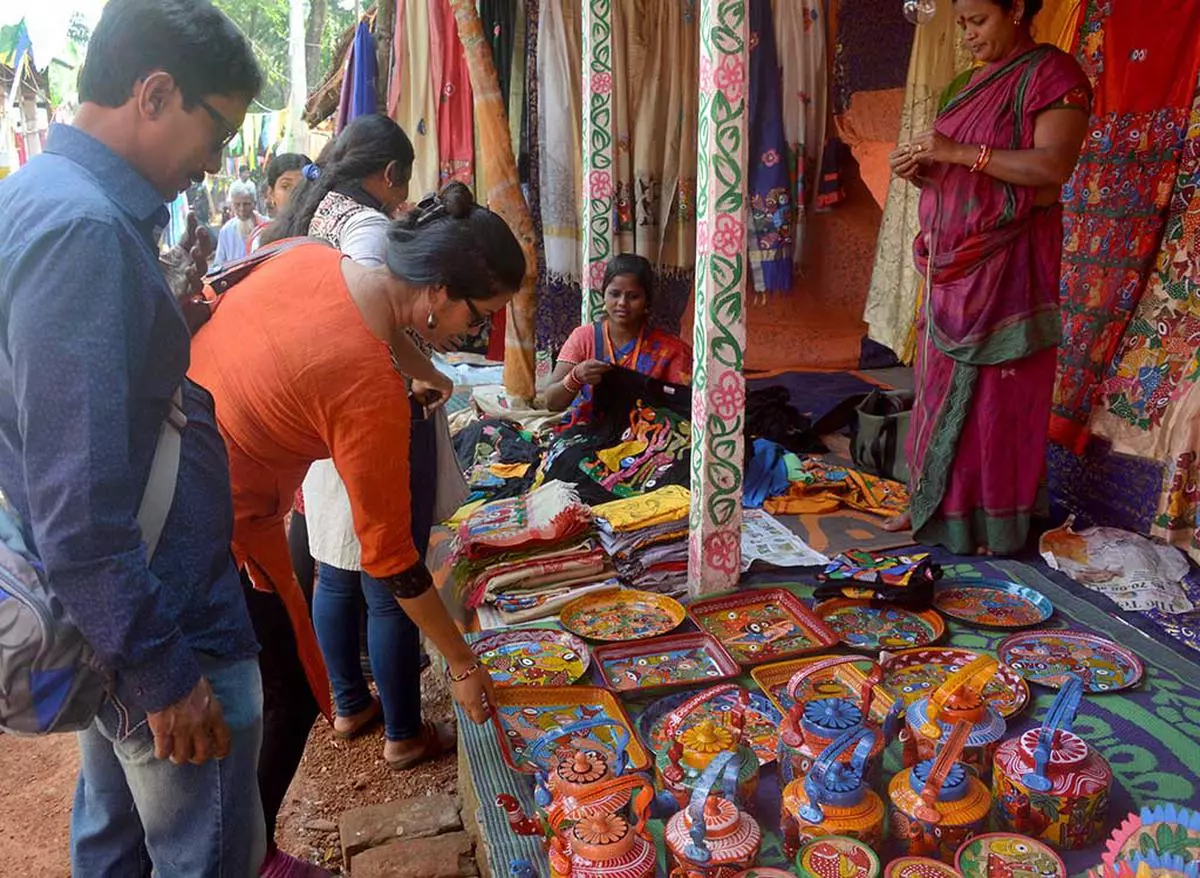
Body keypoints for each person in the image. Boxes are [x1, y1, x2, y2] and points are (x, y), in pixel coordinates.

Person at [0, 1, 267, 875]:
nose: (216, 162)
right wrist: (165, 675)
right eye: (217, 129)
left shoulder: (44, 198)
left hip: (125, 615)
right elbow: (78, 504)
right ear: (155, 93)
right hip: (164, 623)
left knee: (112, 848)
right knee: (205, 856)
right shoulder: (81, 229)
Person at [188, 182, 517, 873]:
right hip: (211, 526)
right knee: (278, 695)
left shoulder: (311, 256)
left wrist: (432, 374)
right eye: (477, 316)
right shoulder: (367, 390)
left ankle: (226, 848)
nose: (474, 334)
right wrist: (462, 663)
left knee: (275, 685)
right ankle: (239, 858)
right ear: (436, 289)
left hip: (178, 468)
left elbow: (369, 329)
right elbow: (393, 561)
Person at [263, 115, 456, 771]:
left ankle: (349, 703)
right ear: (393, 173)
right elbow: (377, 317)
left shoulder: (305, 213)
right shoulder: (367, 226)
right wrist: (421, 378)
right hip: (358, 408)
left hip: (308, 415)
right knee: (386, 574)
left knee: (335, 567)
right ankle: (403, 730)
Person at [884, 0, 1090, 555]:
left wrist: (957, 151)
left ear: (1016, 9)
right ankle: (929, 505)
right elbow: (961, 175)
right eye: (963, 24)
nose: (968, 34)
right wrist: (923, 170)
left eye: (979, 21)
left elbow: (1051, 167)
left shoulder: (1053, 74)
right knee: (934, 390)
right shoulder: (963, 87)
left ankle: (990, 527)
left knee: (996, 405)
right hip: (950, 269)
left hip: (1007, 272)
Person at [545, 253, 692, 427]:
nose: (622, 303)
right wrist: (575, 377)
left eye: (633, 296)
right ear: (603, 296)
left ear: (647, 301)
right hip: (592, 431)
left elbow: (685, 408)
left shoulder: (672, 351)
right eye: (615, 294)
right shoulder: (584, 338)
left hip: (649, 436)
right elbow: (552, 403)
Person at [247, 152, 310, 251]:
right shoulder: (260, 241)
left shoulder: (325, 234)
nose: (295, 194)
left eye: (302, 187)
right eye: (286, 186)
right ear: (271, 193)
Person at [215, 179, 261, 265]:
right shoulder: (226, 231)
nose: (242, 209)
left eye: (246, 204)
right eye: (237, 205)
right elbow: (219, 264)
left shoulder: (265, 226)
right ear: (232, 205)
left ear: (254, 204)